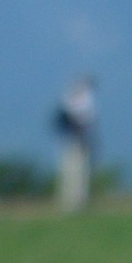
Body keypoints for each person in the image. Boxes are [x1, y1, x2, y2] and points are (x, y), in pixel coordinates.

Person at [54, 77, 96, 211]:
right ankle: (73, 202)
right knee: (75, 172)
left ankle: (75, 202)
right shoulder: (82, 102)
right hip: (75, 140)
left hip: (74, 140)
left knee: (75, 171)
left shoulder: (68, 100)